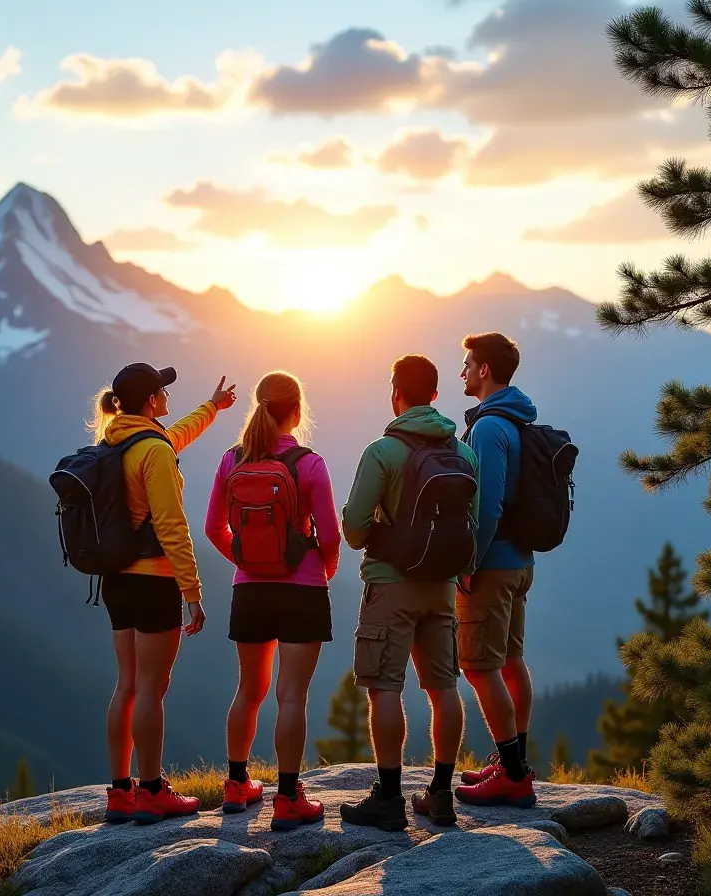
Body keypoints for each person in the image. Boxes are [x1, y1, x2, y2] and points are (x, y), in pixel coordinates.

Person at [339, 354, 478, 830]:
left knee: (384, 688)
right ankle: (441, 794)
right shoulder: (463, 453)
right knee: (444, 688)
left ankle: (390, 798)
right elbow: (472, 527)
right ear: (436, 396)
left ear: (394, 391)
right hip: (442, 587)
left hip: (390, 584)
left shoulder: (382, 451)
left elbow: (355, 529)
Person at [96, 363, 237, 825]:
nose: (168, 397)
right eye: (163, 391)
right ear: (151, 401)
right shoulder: (151, 450)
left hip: (115, 579)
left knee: (127, 684)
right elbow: (171, 525)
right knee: (152, 690)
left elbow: (176, 434)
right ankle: (152, 790)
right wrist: (191, 590)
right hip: (154, 580)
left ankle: (120, 792)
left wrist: (211, 408)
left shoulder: (117, 441)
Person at [205, 371, 341, 831]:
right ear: (297, 412)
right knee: (291, 696)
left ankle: (236, 784)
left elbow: (213, 529)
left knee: (249, 689)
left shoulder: (231, 460)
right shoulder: (310, 463)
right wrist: (326, 565)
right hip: (302, 589)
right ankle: (287, 799)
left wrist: (245, 560)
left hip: (250, 591)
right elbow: (331, 532)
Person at [454, 332, 537, 808]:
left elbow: (486, 508)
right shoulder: (517, 418)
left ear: (485, 370)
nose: (462, 371)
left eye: (467, 364)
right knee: (510, 662)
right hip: (520, 562)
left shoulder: (488, 428)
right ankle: (514, 761)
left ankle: (512, 774)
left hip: (492, 563)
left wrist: (469, 562)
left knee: (479, 666)